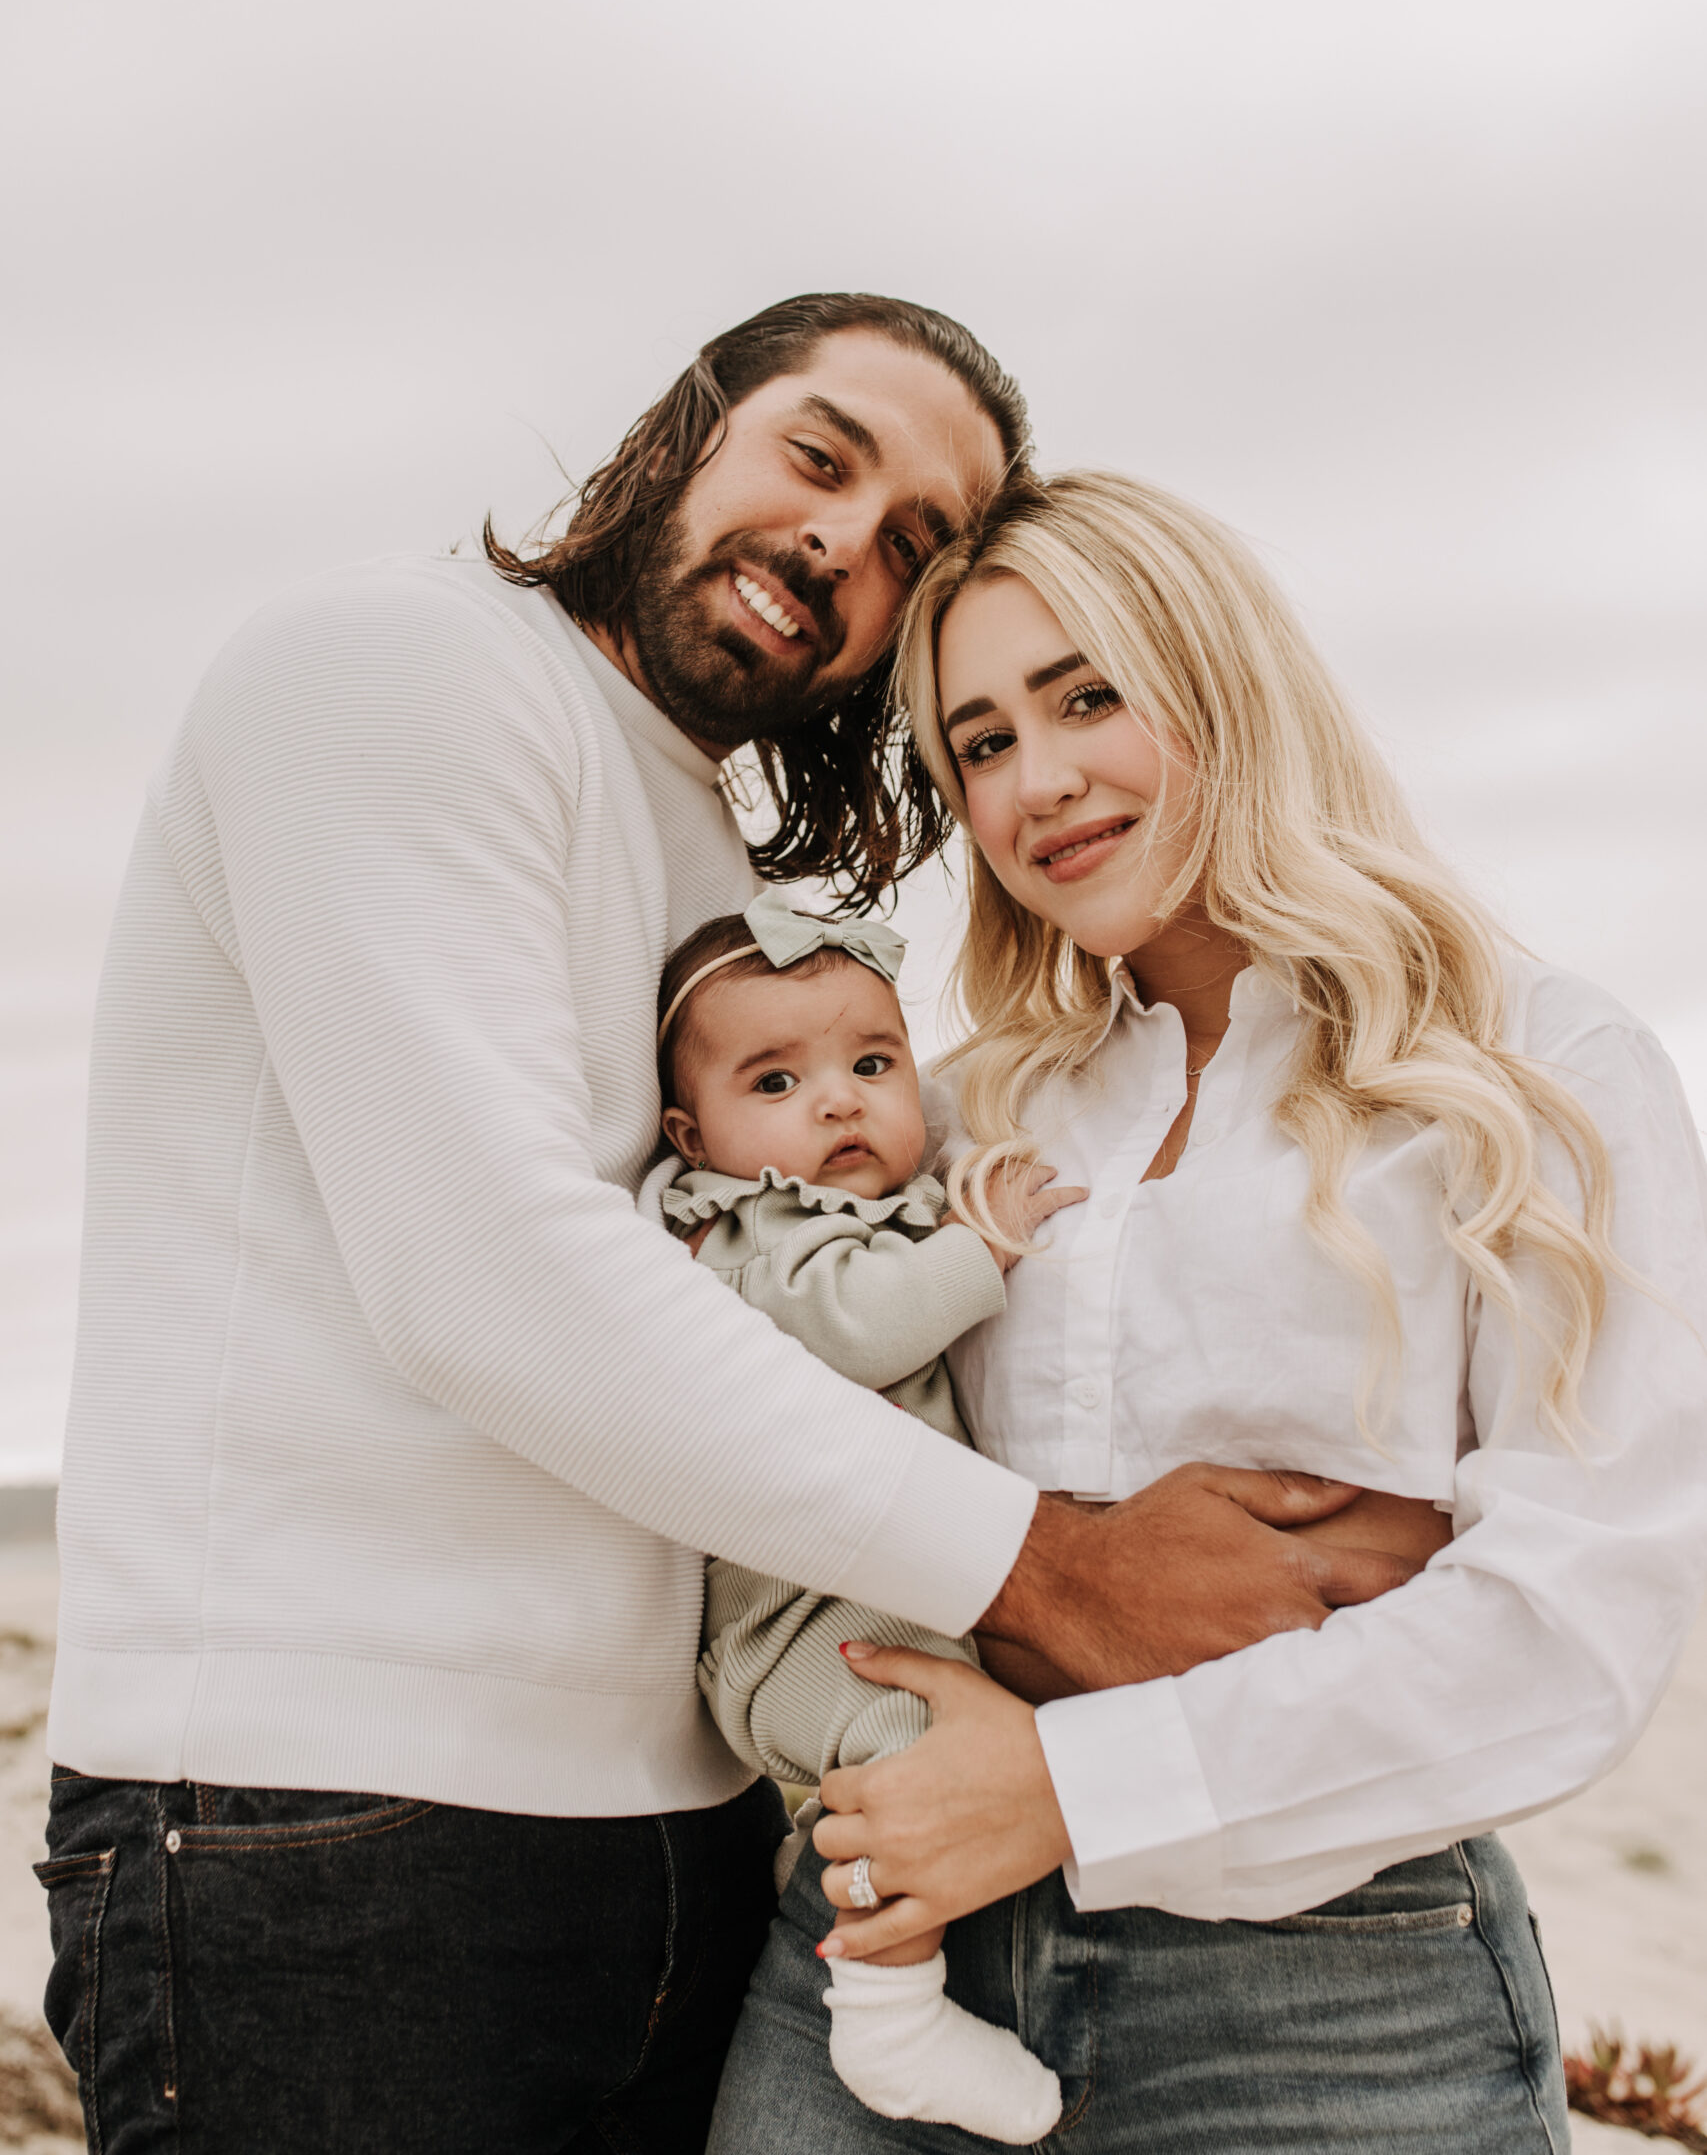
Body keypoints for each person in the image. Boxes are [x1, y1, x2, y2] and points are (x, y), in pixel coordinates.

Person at [36, 304, 1420, 2155]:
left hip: (685, 1838)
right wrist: (1050, 1573)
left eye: (914, 543)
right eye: (820, 456)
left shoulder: (715, 857)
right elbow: (489, 1278)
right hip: (325, 1817)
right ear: (690, 426)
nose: (845, 542)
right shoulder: (391, 670)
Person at [709, 468, 1707, 2153]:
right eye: (982, 743)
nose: (1042, 782)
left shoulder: (1532, 1077)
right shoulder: (953, 1121)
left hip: (1324, 2003)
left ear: (1224, 679)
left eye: (1087, 696)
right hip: (885, 1951)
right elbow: (758, 1410)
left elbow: (1566, 1629)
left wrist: (1067, 1786)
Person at [648, 891, 1081, 2143]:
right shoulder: (737, 1237)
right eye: (776, 1081)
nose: (838, 1100)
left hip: (868, 1615)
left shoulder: (872, 1205)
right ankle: (891, 2026)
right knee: (910, 1749)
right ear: (693, 1132)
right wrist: (980, 1245)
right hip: (795, 1642)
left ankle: (825, 1854)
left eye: (872, 1062)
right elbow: (857, 1327)